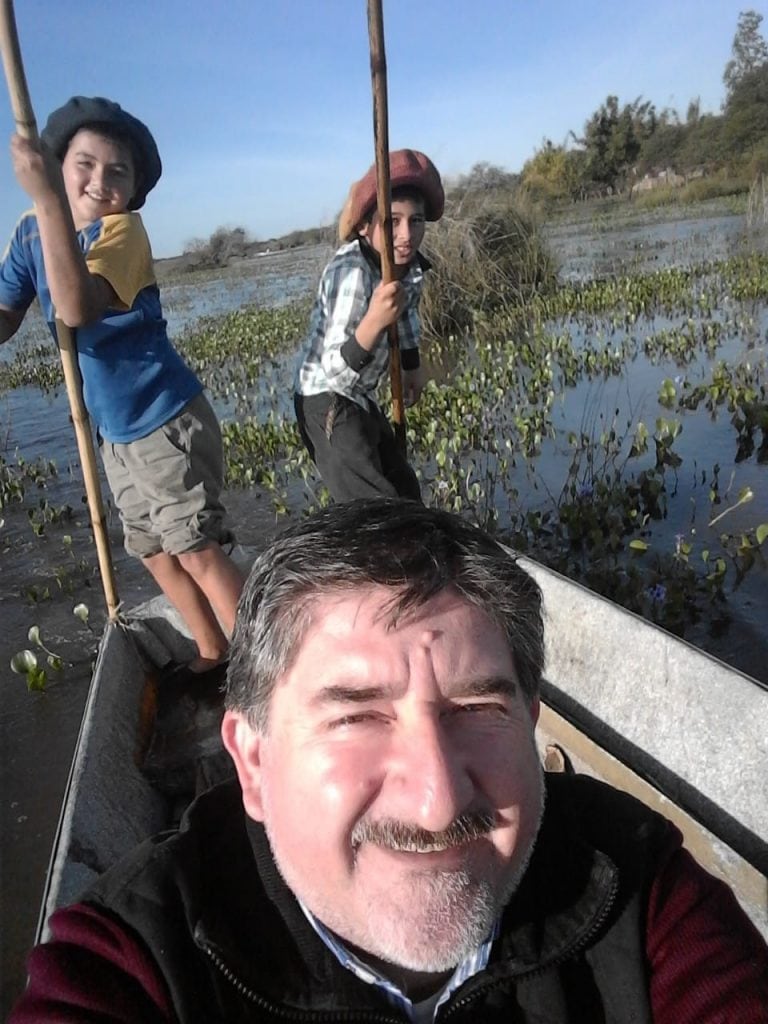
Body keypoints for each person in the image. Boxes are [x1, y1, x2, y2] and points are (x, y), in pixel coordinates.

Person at [10, 499, 768, 1023]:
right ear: (252, 761)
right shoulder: (133, 958)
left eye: (477, 710)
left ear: (532, 727)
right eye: (358, 716)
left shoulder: (639, 886)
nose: (438, 800)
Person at [0, 96, 243, 680]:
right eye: (83, 164)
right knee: (153, 551)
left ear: (134, 191)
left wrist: (47, 200)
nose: (99, 181)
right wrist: (45, 209)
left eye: (118, 172)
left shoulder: (122, 233)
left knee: (195, 548)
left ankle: (269, 674)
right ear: (57, 166)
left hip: (164, 419)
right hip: (113, 431)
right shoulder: (32, 232)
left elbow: (79, 304)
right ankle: (214, 651)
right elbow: (6, 315)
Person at [293, 148, 444, 502]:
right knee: (374, 508)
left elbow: (407, 318)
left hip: (360, 395)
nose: (406, 234)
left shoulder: (410, 268)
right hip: (326, 399)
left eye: (416, 220)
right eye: (391, 222)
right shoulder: (353, 273)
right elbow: (335, 373)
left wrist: (412, 369)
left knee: (405, 490)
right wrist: (374, 320)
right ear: (364, 225)